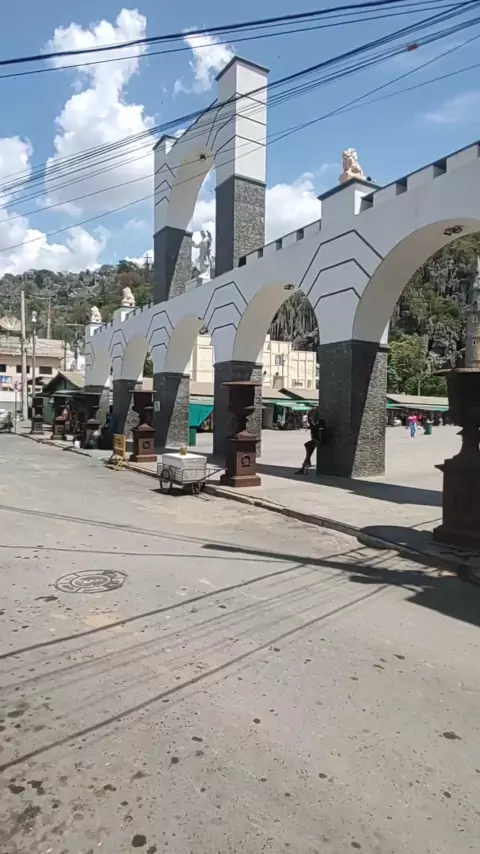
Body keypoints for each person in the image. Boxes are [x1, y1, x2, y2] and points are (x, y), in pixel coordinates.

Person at [295, 410, 325, 474]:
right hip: (316, 440)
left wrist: (319, 441)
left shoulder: (321, 422)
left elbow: (322, 434)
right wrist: (315, 441)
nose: (313, 418)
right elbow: (312, 435)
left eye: (314, 416)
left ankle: (305, 465)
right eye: (312, 417)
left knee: (308, 447)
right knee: (307, 445)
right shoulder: (312, 425)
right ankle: (306, 462)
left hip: (323, 439)